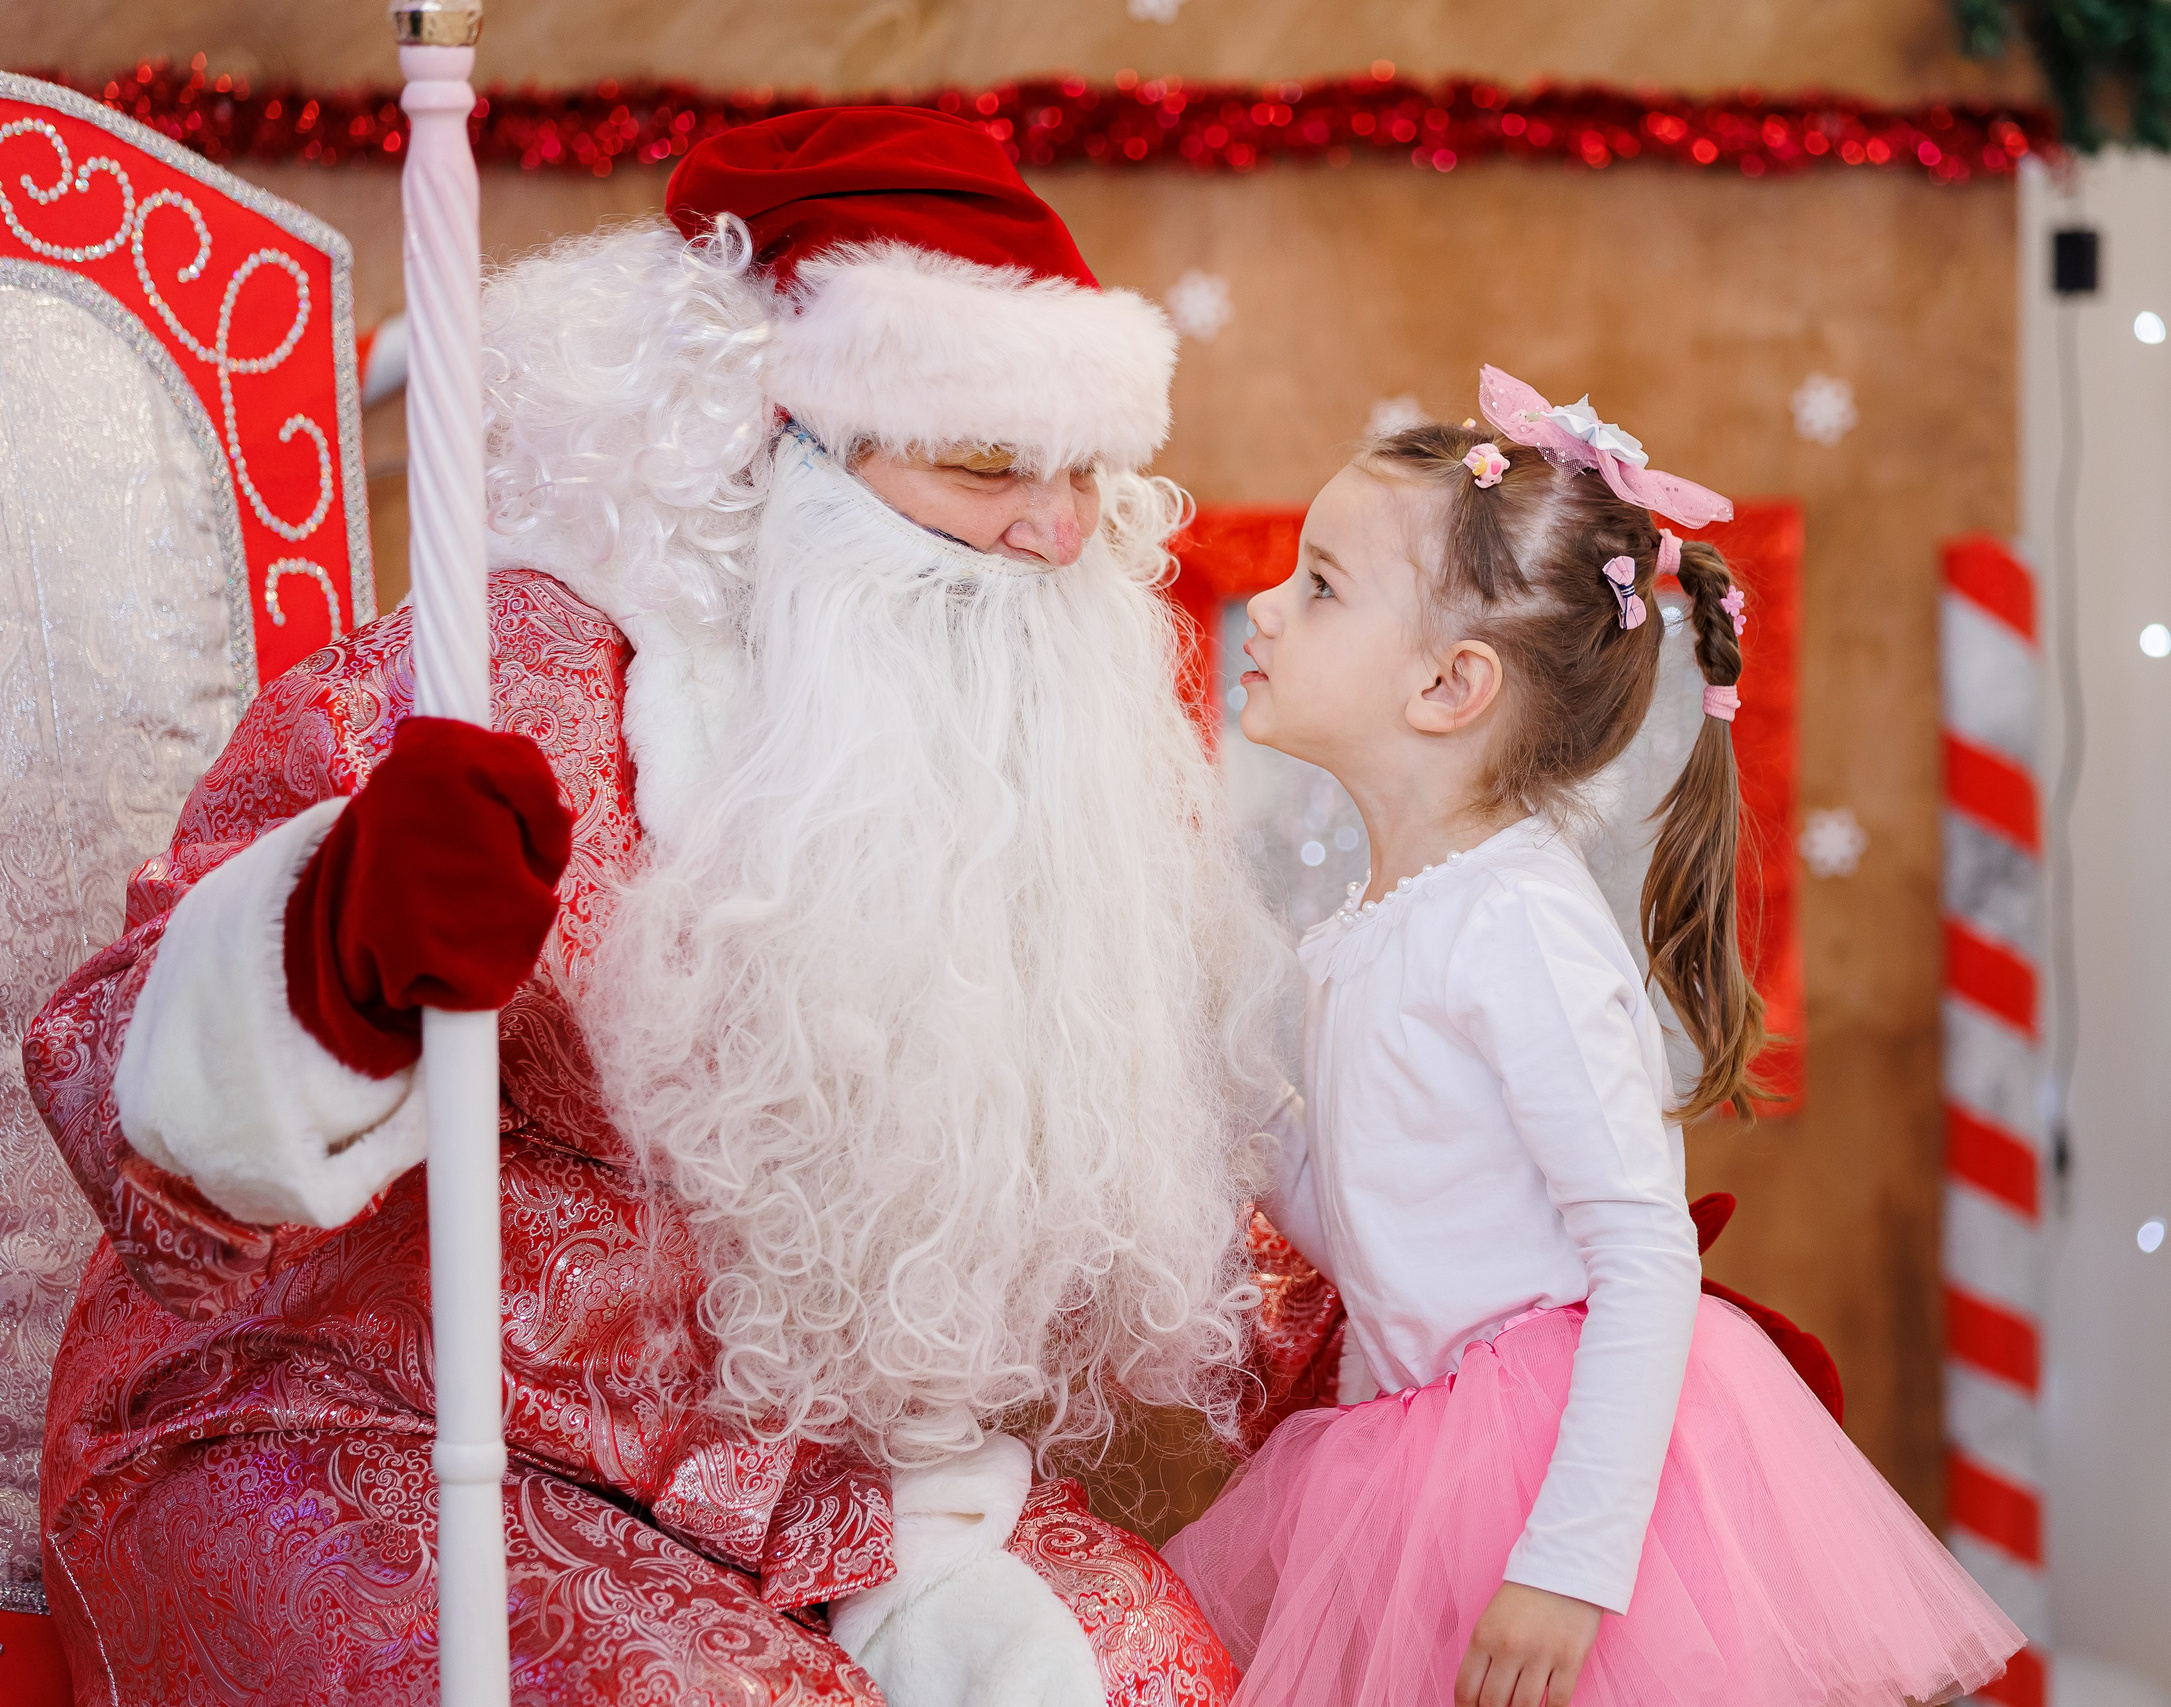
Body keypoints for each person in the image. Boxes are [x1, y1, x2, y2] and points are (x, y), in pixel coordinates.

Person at [25, 107, 1312, 1707]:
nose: (1055, 537)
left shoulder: (1051, 737)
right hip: (370, 1423)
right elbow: (106, 1070)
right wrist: (330, 948)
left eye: (1085, 477)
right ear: (757, 435)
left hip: (818, 1490)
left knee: (1153, 1669)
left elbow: (1157, 1173)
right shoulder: (521, 679)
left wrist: (1488, 1300)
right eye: (988, 467)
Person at [1162, 369, 2027, 1706]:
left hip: (1550, 1483)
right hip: (1407, 1463)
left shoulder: (1515, 927)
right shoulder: (1374, 925)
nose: (1262, 606)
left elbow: (1641, 1253)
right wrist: (1230, 1096)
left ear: (1453, 684)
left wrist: (1571, 1561)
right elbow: (1378, 1235)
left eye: (1320, 585)